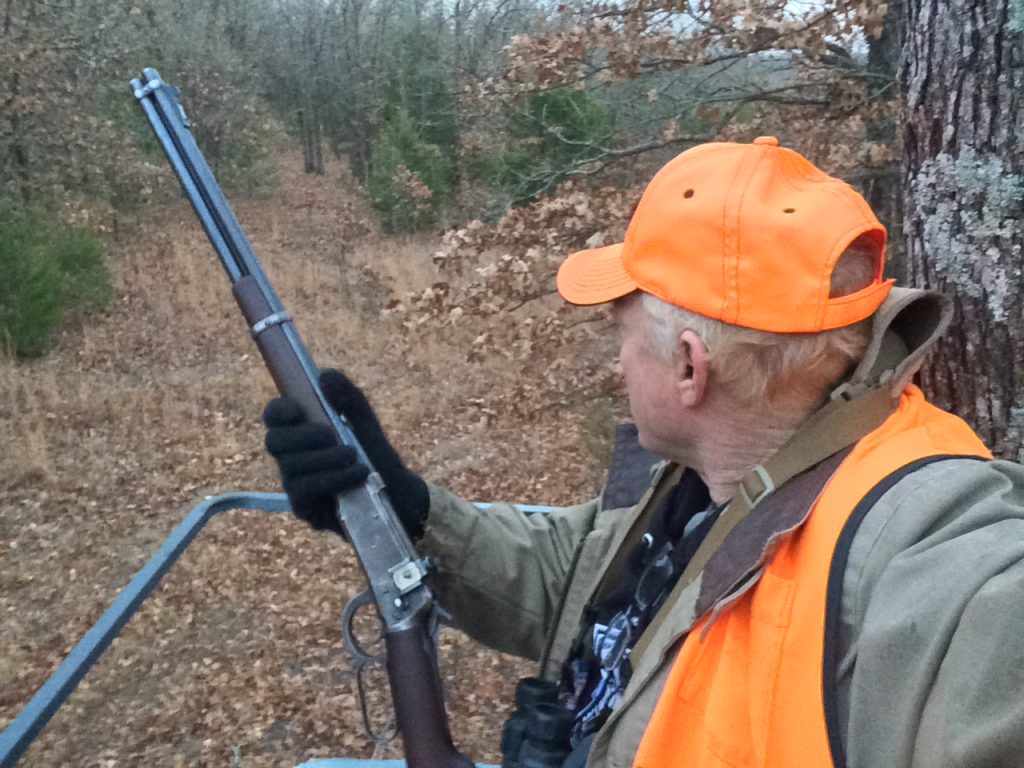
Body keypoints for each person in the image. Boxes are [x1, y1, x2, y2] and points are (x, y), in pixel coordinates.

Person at [263, 137, 1024, 768]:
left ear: (691, 367)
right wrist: (408, 509)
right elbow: (578, 575)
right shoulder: (708, 477)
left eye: (619, 336)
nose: (616, 365)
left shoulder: (926, 546)